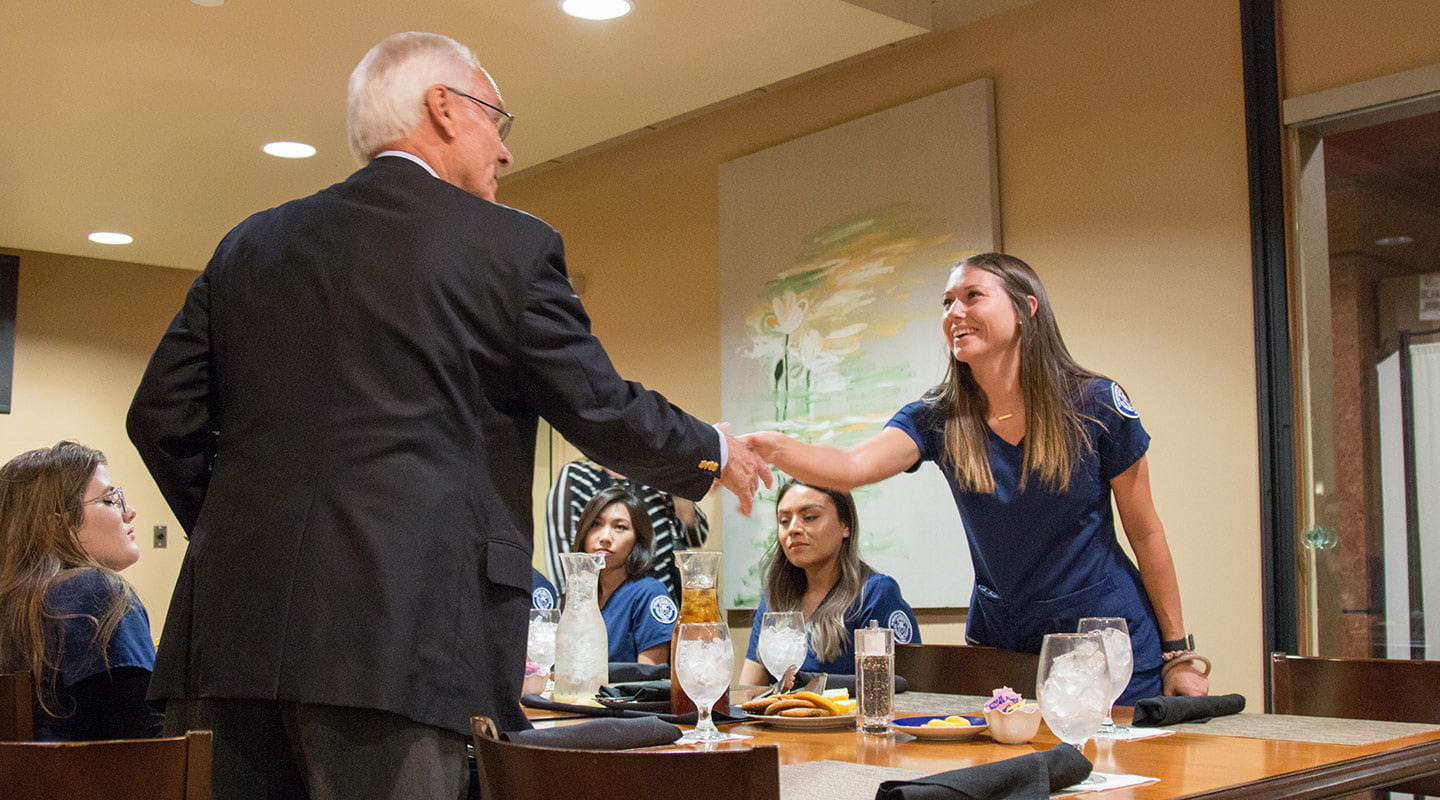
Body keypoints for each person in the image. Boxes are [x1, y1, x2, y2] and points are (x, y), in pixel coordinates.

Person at [126, 31, 769, 800]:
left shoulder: (247, 246)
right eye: (498, 120)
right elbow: (596, 405)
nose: (503, 152)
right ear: (443, 107)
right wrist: (711, 451)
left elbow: (160, 415)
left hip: (223, 644)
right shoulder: (508, 247)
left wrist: (238, 534)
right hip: (403, 642)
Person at [744, 253, 1209, 702]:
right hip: (1002, 644)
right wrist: (773, 446)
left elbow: (1145, 532)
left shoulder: (1097, 403)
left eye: (972, 296)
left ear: (1027, 309)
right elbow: (851, 467)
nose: (955, 312)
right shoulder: (938, 417)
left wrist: (1179, 655)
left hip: (1102, 639)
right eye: (947, 302)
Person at [0, 441, 164, 741]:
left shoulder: (11, 604)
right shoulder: (96, 591)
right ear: (57, 525)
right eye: (110, 500)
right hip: (93, 786)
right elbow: (142, 740)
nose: (130, 512)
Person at [738, 480, 918, 684]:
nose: (793, 529)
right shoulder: (775, 597)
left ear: (845, 525)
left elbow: (899, 684)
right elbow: (749, 691)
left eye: (810, 517)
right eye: (784, 521)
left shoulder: (875, 593)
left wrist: (808, 682)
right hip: (780, 716)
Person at [544, 458, 707, 600]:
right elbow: (563, 560)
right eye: (596, 524)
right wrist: (579, 609)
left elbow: (696, 538)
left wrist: (678, 480)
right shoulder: (578, 475)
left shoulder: (656, 477)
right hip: (596, 605)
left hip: (660, 600)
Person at [570, 487, 676, 664]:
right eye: (596, 524)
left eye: (620, 527)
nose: (605, 537)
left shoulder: (649, 593)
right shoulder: (577, 595)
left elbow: (650, 678)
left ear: (638, 540)